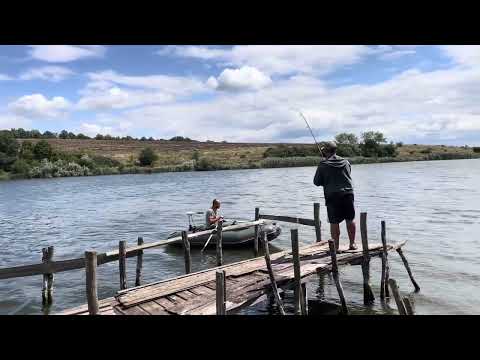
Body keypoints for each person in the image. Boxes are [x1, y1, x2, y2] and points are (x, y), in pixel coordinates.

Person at [313, 141, 357, 250]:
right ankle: (352, 244)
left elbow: (316, 182)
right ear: (335, 150)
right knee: (350, 219)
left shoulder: (323, 165)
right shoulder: (346, 162)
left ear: (325, 151)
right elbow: (347, 174)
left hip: (333, 196)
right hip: (348, 194)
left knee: (334, 222)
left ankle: (336, 248)